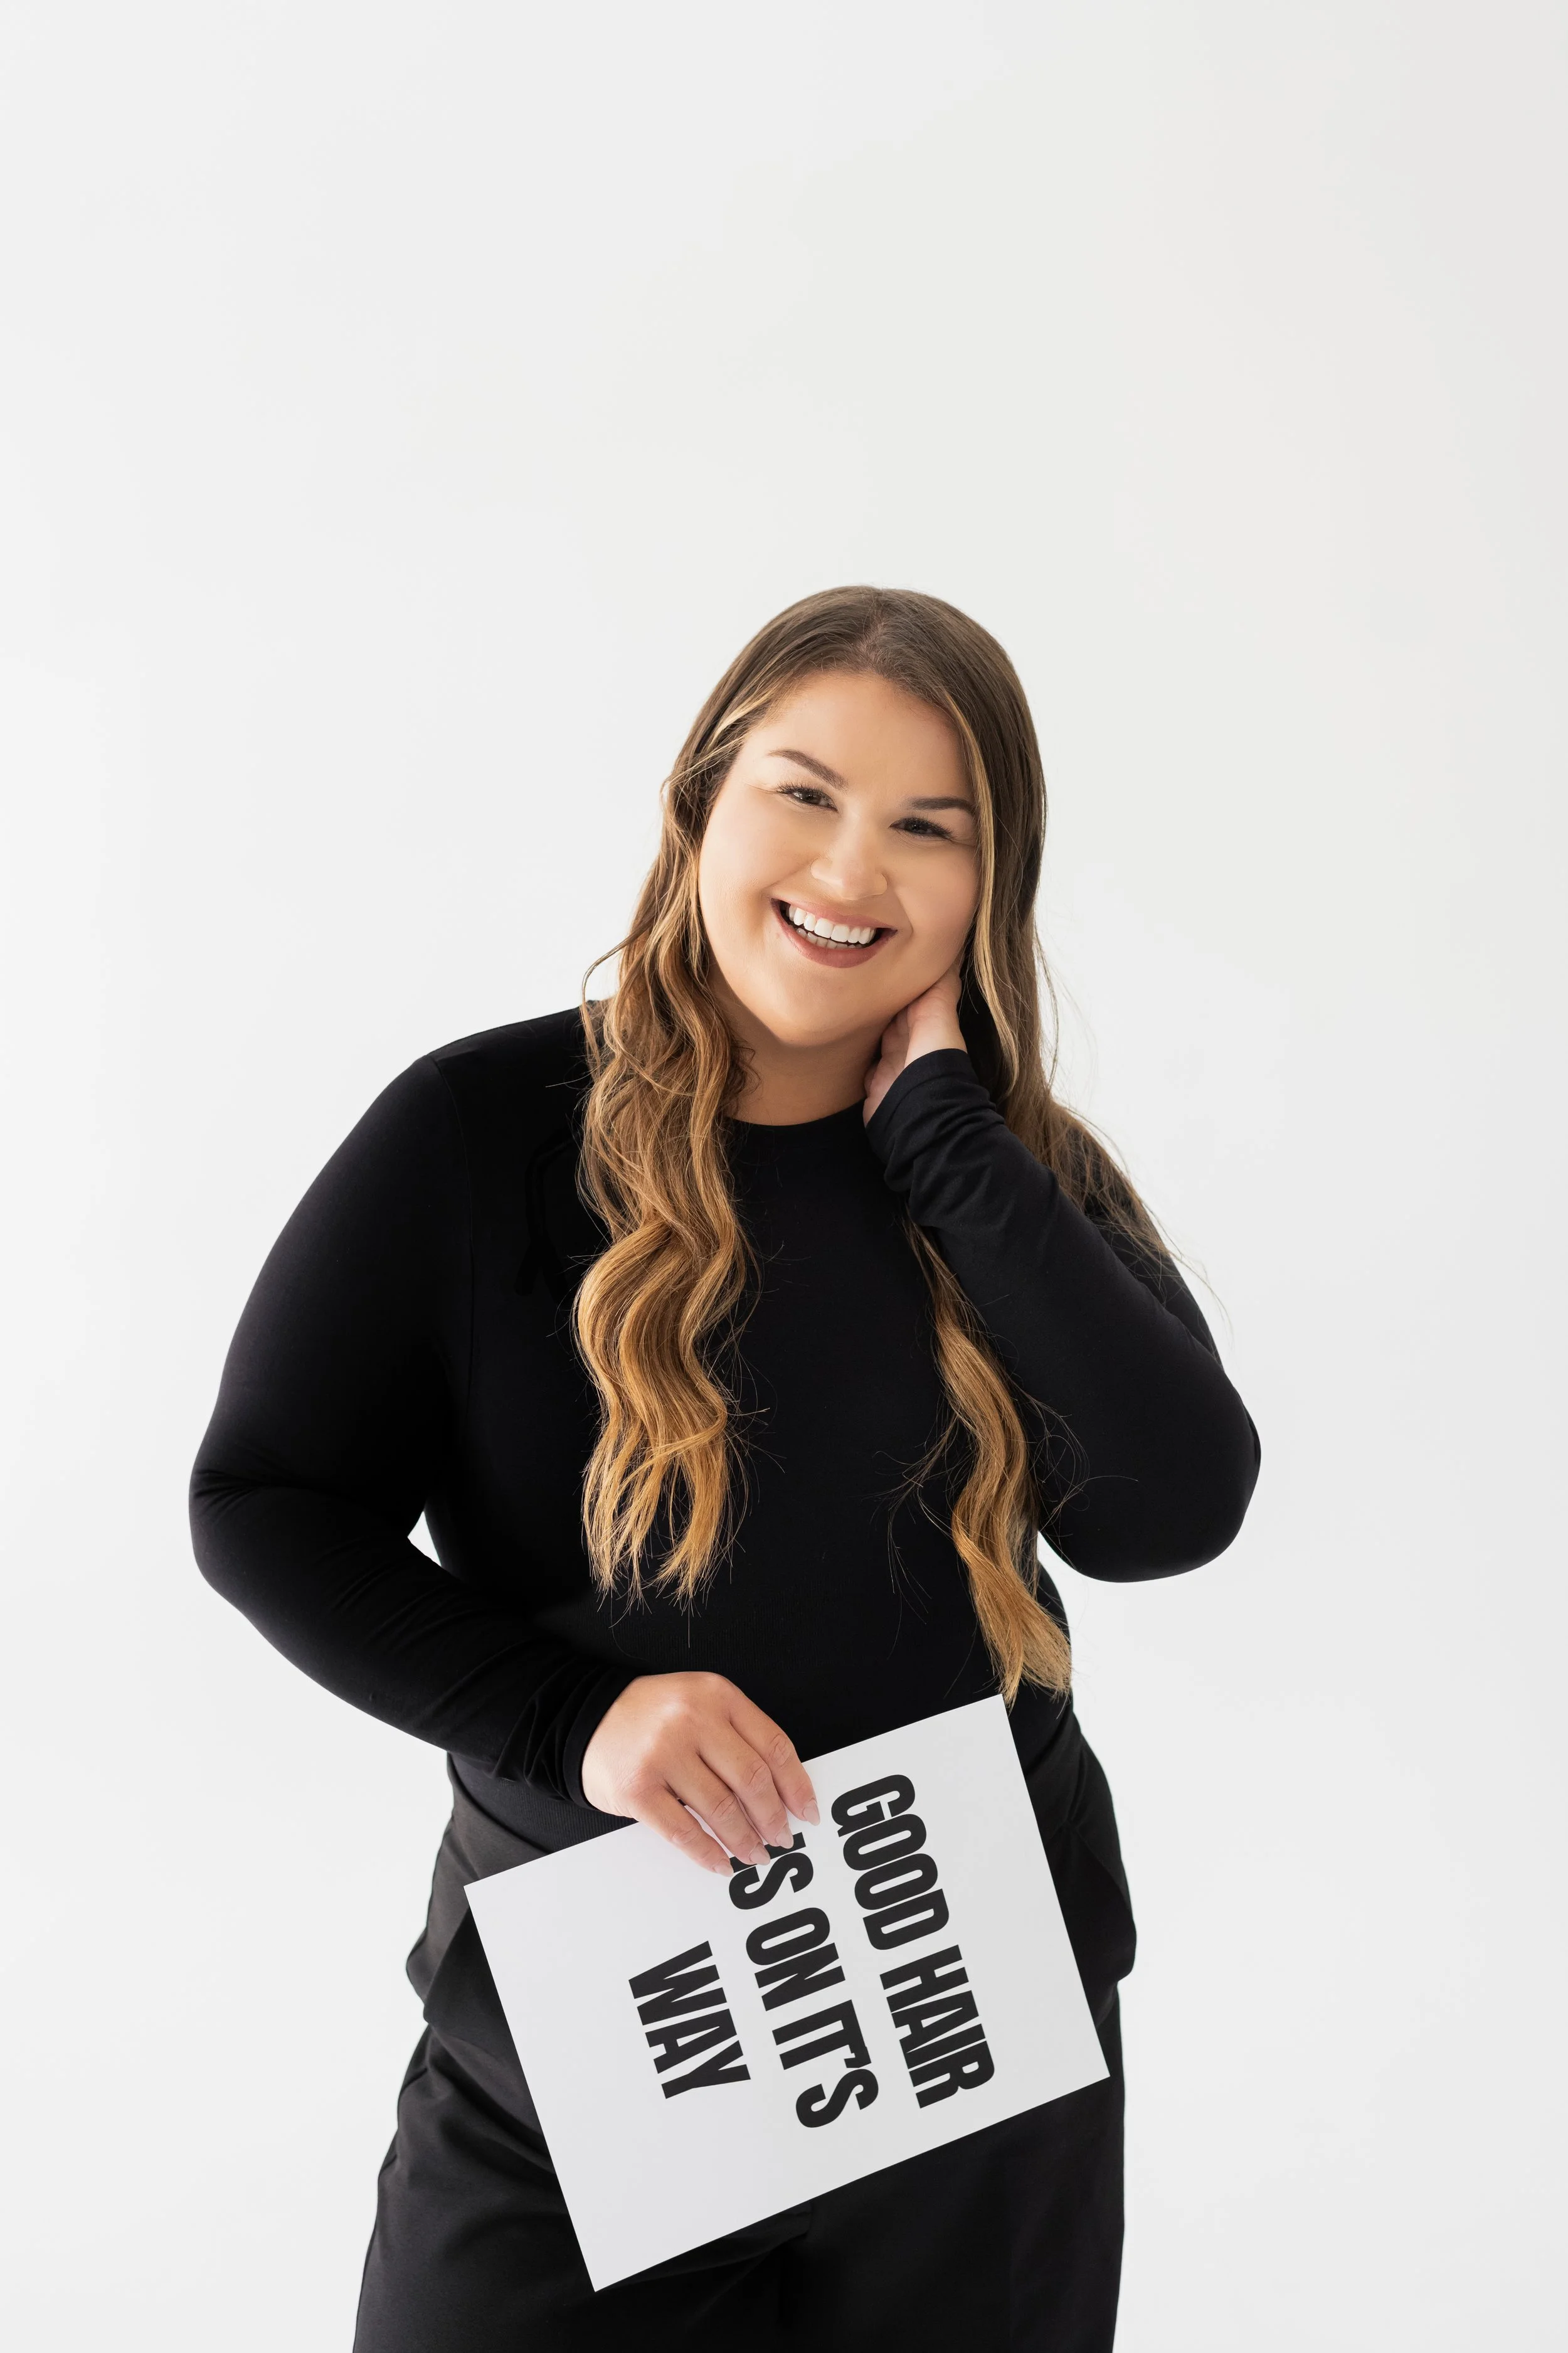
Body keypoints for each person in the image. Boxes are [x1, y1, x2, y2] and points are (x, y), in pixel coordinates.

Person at [190, 585, 1261, 2350]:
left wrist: (939, 1140)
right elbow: (262, 1500)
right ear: (697, 803)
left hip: (961, 2039)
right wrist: (569, 1719)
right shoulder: (479, 1134)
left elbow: (1172, 1510)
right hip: (590, 2040)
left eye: (933, 828)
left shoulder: (1007, 1182)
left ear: (996, 887)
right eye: (802, 790)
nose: (854, 869)